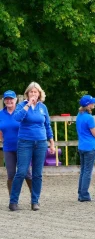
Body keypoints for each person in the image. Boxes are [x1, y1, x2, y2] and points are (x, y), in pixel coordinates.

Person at [9, 82, 55, 211]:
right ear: (27, 94)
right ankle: (13, 201)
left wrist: (51, 141)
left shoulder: (43, 107)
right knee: (22, 171)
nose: (33, 94)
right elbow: (17, 118)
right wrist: (28, 105)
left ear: (39, 94)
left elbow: (47, 125)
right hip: (25, 142)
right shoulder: (21, 105)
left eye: (35, 92)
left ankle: (35, 201)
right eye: (31, 92)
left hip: (40, 142)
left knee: (37, 174)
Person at [0, 90, 32, 196]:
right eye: (6, 99)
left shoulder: (20, 112)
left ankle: (34, 197)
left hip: (22, 147)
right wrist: (2, 139)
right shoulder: (1, 114)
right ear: (4, 101)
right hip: (8, 148)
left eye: (11, 98)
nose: (9, 101)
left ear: (15, 100)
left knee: (27, 173)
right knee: (11, 175)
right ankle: (13, 199)